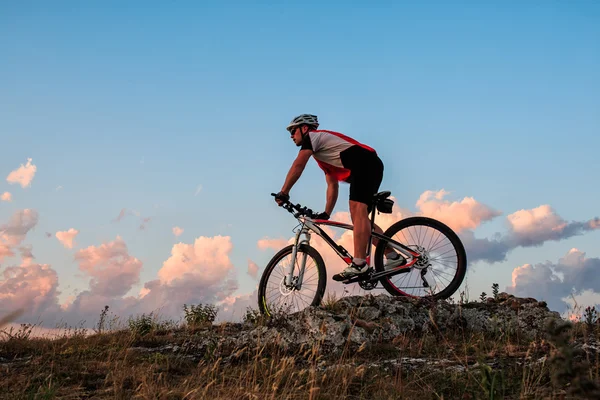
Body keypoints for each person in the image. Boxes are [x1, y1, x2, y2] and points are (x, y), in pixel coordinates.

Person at [274, 113, 406, 281]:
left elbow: (298, 165)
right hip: (369, 166)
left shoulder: (313, 138)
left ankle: (359, 264)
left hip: (366, 164)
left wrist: (284, 192)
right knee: (361, 220)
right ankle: (394, 257)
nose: (291, 136)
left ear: (304, 128)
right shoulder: (324, 154)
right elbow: (332, 185)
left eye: (293, 131)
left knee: (356, 209)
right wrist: (326, 213)